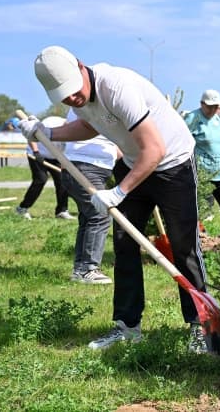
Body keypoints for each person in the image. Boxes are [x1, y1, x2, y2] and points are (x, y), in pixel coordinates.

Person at [24, 45, 208, 353]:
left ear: (81, 67)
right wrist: (47, 133)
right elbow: (88, 124)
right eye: (63, 97)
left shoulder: (117, 86)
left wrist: (119, 191)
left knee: (183, 245)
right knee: (124, 244)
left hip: (172, 162)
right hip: (137, 160)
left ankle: (201, 325)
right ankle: (127, 327)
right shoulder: (80, 97)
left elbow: (155, 150)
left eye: (73, 91)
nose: (72, 99)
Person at [62, 109, 120, 285]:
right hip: (86, 167)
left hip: (80, 166)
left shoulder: (82, 106)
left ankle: (80, 270)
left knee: (88, 217)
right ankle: (88, 269)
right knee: (100, 216)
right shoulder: (99, 105)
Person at [183, 90, 220, 226]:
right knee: (199, 209)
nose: (212, 110)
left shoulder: (219, 118)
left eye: (216, 106)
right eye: (209, 106)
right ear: (202, 104)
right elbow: (182, 142)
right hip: (201, 173)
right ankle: (201, 239)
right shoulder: (193, 118)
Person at [16, 115, 74, 220]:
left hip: (56, 157)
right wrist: (36, 152)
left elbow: (66, 152)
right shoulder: (51, 122)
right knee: (41, 179)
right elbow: (32, 134)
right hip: (37, 154)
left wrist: (65, 167)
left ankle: (61, 211)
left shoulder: (73, 133)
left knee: (62, 181)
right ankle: (22, 208)